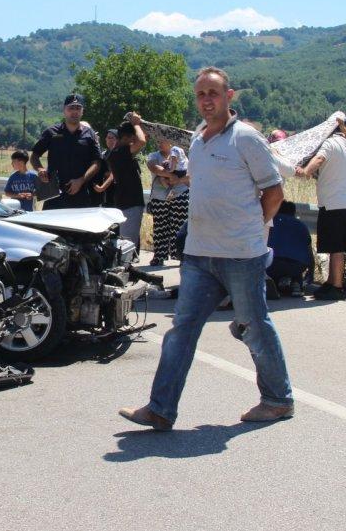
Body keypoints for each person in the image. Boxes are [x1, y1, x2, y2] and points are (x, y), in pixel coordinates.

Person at [120, 67, 293, 430]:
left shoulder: (247, 138)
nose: (206, 100)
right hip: (199, 253)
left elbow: (274, 192)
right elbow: (202, 182)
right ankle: (160, 409)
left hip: (242, 254)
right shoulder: (199, 140)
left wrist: (250, 229)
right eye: (200, 94)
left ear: (229, 97)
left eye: (213, 93)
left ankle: (278, 400)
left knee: (254, 326)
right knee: (181, 329)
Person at [296, 119, 346, 299]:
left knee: (336, 247)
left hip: (332, 203)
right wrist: (342, 126)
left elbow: (319, 159)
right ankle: (330, 283)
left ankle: (337, 287)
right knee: (335, 246)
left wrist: (306, 171)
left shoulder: (330, 144)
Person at [30, 93, 104, 209]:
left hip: (80, 195)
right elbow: (34, 155)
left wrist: (81, 180)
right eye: (71, 108)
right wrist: (40, 169)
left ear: (82, 111)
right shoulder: (51, 132)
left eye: (78, 108)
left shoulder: (90, 134)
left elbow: (97, 163)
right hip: (54, 195)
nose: (74, 111)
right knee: (51, 227)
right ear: (64, 110)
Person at [95, 115, 147, 251]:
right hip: (130, 202)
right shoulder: (120, 152)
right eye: (132, 138)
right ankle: (126, 269)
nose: (134, 141)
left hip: (125, 201)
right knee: (128, 244)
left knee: (126, 241)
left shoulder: (116, 153)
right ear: (126, 138)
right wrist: (136, 124)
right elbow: (142, 141)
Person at [146, 138, 189, 266]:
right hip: (160, 196)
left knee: (180, 227)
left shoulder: (180, 154)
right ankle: (159, 256)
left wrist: (177, 180)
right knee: (160, 227)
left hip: (180, 193)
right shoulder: (153, 155)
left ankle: (181, 256)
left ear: (170, 142)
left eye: (162, 141)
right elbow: (154, 167)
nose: (159, 143)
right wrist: (171, 175)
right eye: (158, 141)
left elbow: (188, 173)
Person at [267, 201, 313, 298]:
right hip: (297, 266)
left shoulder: (270, 223)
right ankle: (297, 283)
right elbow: (309, 251)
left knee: (273, 268)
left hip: (273, 265)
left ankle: (274, 285)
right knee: (296, 261)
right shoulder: (302, 225)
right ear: (294, 212)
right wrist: (311, 271)